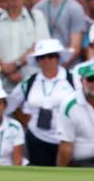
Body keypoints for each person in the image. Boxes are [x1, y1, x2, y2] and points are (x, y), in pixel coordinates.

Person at [7, 38, 75, 166]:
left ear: (58, 58)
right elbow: (12, 103)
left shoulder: (73, 79)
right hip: (37, 137)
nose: (47, 60)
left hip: (66, 138)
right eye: (42, 57)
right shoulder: (30, 81)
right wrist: (25, 121)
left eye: (51, 56)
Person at [34, 0, 86, 67]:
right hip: (43, 62)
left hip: (67, 65)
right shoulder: (38, 8)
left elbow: (75, 47)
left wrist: (58, 68)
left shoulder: (75, 8)